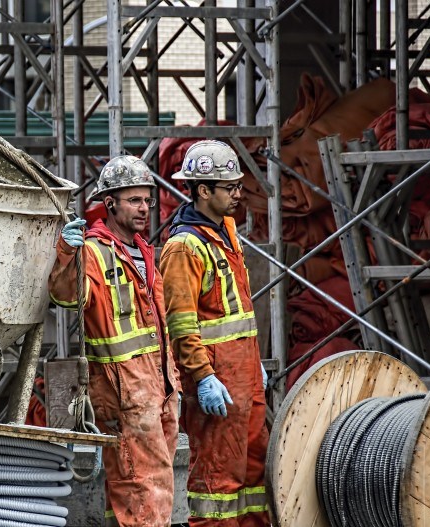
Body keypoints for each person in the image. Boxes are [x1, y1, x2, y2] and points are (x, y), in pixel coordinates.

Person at [49, 155, 180, 527]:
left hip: (159, 388)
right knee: (144, 489)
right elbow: (66, 297)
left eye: (147, 200)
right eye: (135, 200)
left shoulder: (143, 251)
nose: (145, 209)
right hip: (125, 391)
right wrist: (67, 253)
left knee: (149, 486)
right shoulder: (93, 251)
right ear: (110, 204)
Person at [158, 140, 270, 527]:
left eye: (238, 185)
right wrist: (203, 377)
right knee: (217, 483)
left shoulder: (224, 232)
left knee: (255, 474)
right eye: (230, 188)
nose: (239, 194)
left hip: (245, 378)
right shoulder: (183, 247)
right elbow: (182, 323)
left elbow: (238, 310)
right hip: (219, 380)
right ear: (203, 190)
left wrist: (254, 365)